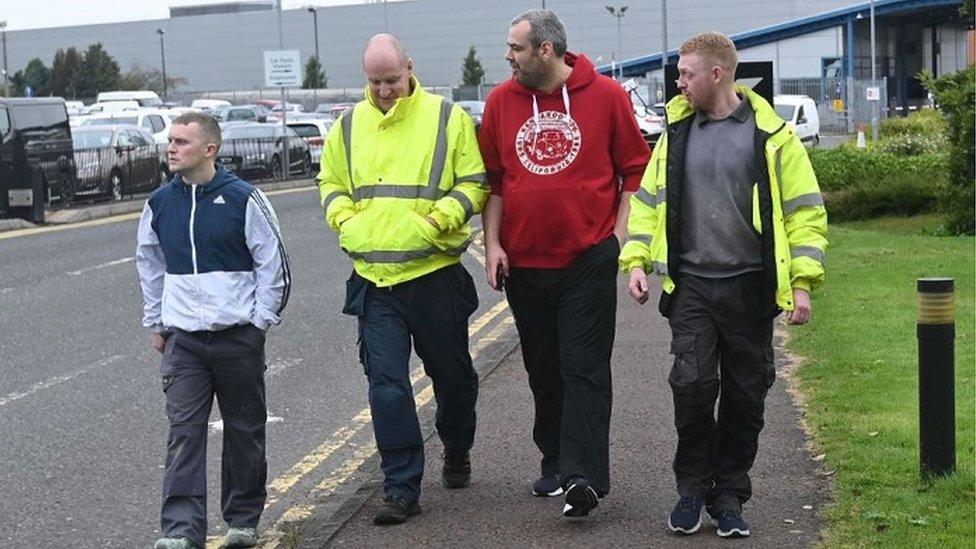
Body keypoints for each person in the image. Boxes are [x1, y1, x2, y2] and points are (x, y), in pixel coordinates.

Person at [620, 32, 827, 538]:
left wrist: (801, 283)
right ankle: (692, 488)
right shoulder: (676, 133)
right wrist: (637, 261)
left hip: (750, 291)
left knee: (745, 395)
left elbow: (805, 215)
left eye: (686, 73)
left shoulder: (772, 136)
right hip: (691, 287)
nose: (678, 82)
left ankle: (729, 493)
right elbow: (647, 204)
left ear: (717, 74)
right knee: (691, 388)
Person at [478, 10, 650, 518]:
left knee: (585, 368)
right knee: (543, 368)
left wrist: (617, 239)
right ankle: (554, 457)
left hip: (587, 260)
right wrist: (492, 245)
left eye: (516, 48)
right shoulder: (500, 102)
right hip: (526, 264)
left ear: (545, 50)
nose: (507, 56)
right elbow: (494, 182)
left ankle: (585, 478)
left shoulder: (607, 97)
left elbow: (634, 171)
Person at [317, 34, 489, 526]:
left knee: (454, 382)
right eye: (375, 82)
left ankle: (456, 445)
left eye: (392, 80)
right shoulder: (348, 126)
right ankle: (401, 487)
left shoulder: (447, 117)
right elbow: (329, 182)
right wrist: (345, 221)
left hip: (434, 275)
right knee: (386, 387)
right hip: (375, 280)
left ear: (410, 68)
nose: (384, 90)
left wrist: (437, 221)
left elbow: (474, 182)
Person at [136, 112, 290, 549]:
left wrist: (259, 322)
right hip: (183, 341)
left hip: (237, 336)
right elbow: (149, 263)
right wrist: (157, 320)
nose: (171, 148)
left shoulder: (244, 199)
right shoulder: (160, 203)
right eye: (170, 140)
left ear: (210, 149)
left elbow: (273, 265)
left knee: (244, 429)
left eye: (182, 141)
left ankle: (242, 520)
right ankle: (181, 531)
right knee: (184, 432)